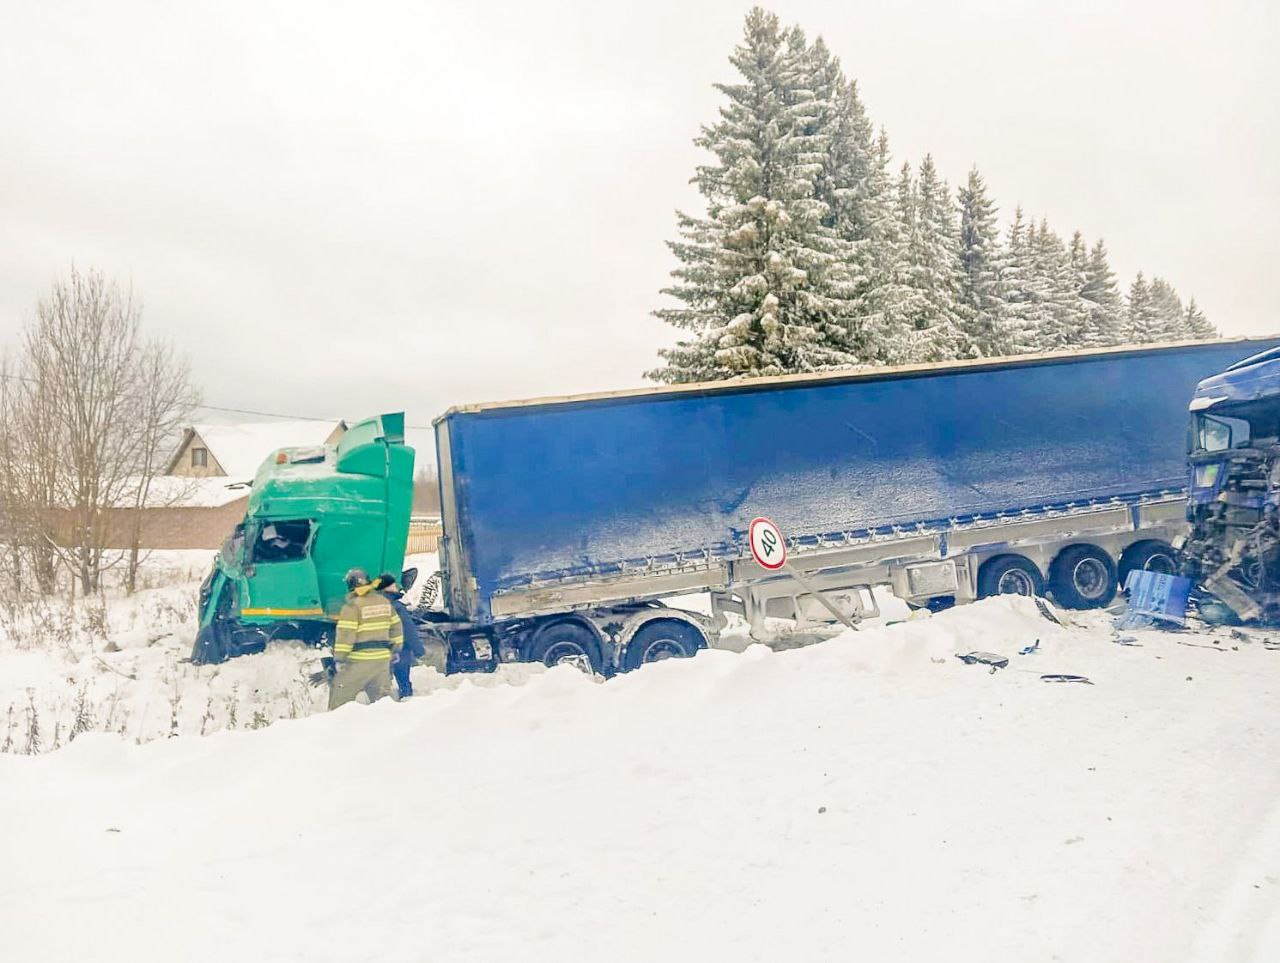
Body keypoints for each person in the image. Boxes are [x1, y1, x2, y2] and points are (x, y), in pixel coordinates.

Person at [328, 568, 403, 710]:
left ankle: (337, 724)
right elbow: (396, 628)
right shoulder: (384, 602)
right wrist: (395, 650)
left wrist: (340, 659)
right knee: (383, 703)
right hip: (382, 661)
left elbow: (346, 635)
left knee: (340, 699)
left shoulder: (352, 607)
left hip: (359, 662)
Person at [376, 573, 426, 698]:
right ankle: (406, 696)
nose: (396, 586)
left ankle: (382, 699)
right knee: (403, 678)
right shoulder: (397, 607)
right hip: (399, 650)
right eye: (393, 584)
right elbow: (408, 631)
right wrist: (419, 650)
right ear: (387, 587)